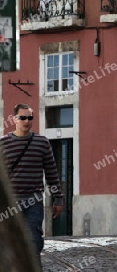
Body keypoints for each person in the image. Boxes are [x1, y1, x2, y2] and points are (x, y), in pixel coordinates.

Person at [0, 103, 64, 269]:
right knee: (8, 243)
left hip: (33, 201)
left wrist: (58, 198)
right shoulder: (3, 143)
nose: (26, 121)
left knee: (34, 241)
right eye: (22, 117)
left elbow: (51, 171)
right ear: (14, 119)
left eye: (29, 117)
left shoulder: (42, 143)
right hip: (9, 203)